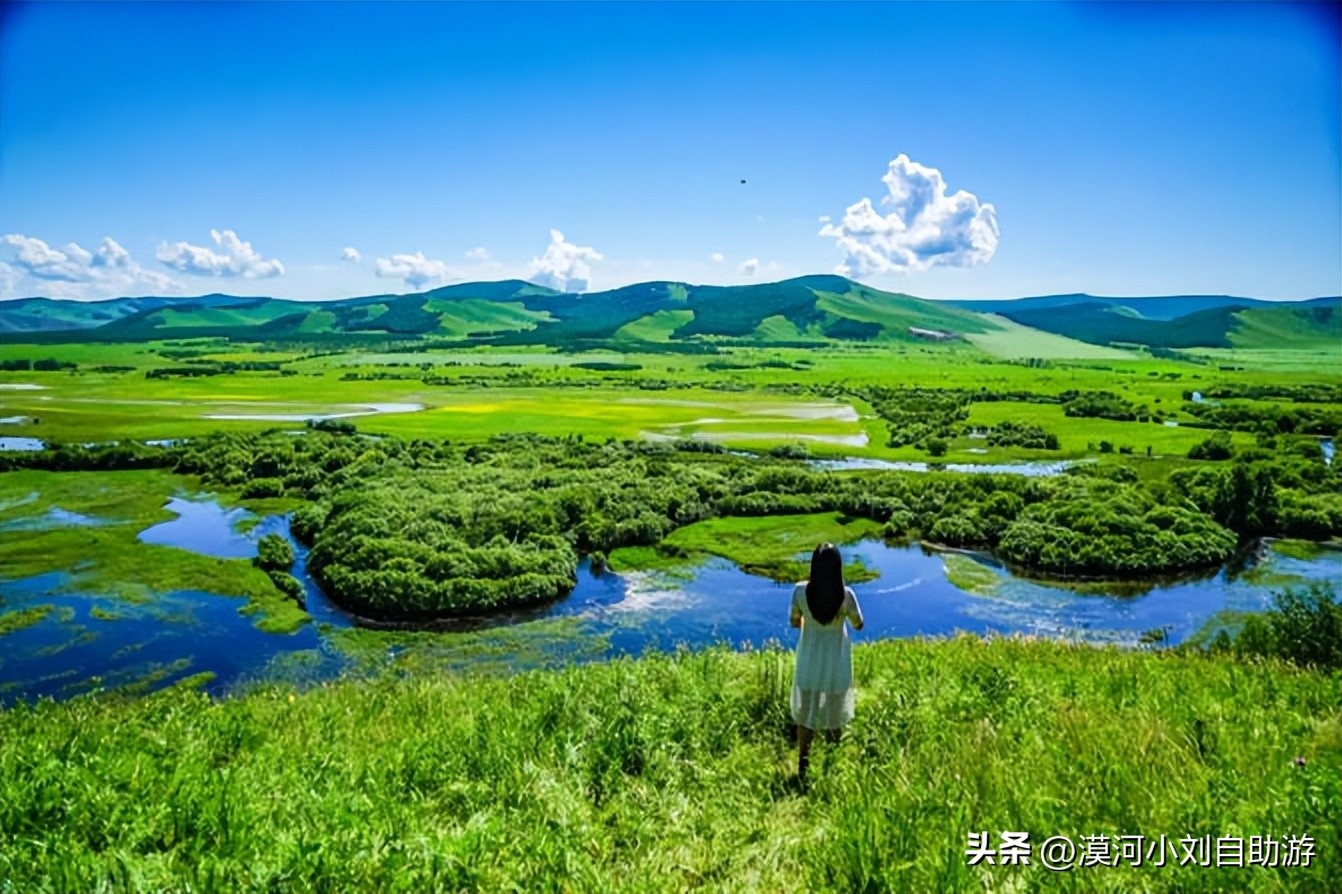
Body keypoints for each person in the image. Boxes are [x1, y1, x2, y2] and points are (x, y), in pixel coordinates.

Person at [789, 542, 865, 785]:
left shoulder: (800, 591)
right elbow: (859, 624)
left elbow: (794, 621)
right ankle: (832, 763)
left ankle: (803, 762)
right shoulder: (846, 595)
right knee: (835, 710)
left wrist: (809, 624)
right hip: (836, 661)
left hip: (809, 658)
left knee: (806, 712)